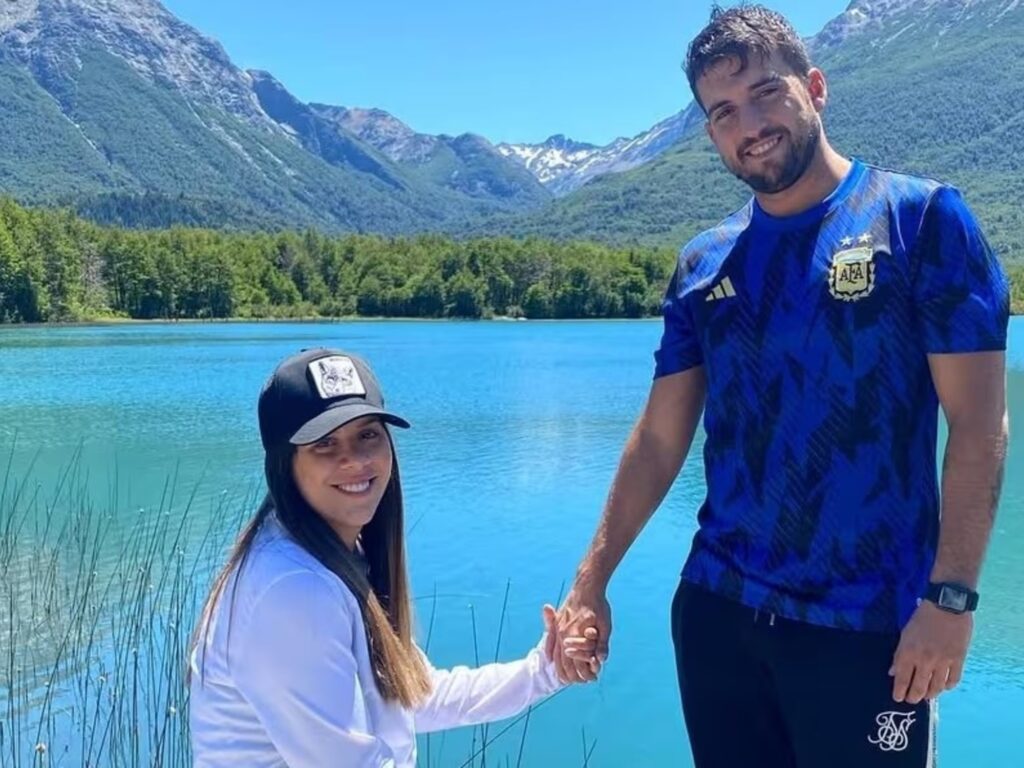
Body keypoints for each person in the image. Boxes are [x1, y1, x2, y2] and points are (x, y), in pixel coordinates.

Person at [552, 5, 1010, 767]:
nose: (750, 125)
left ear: (815, 87)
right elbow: (660, 438)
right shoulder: (706, 263)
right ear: (711, 134)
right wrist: (590, 579)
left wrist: (952, 598)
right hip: (720, 615)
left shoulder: (920, 221)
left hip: (869, 626)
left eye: (766, 93)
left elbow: (979, 424)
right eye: (724, 112)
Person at [188, 348, 594, 767]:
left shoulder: (330, 557)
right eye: (325, 443)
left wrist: (544, 670)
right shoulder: (292, 589)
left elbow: (413, 697)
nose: (355, 460)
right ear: (284, 464)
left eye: (368, 434)